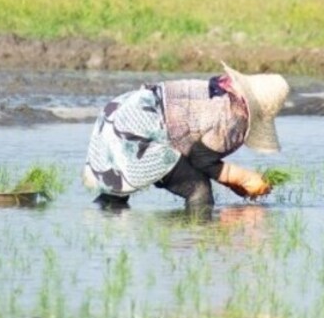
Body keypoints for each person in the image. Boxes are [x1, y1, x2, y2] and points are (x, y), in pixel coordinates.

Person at [82, 63, 290, 210]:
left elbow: (194, 157)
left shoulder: (222, 92)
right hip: (140, 130)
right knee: (198, 191)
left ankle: (98, 222)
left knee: (115, 195)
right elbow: (201, 160)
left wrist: (235, 184)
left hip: (123, 112)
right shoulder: (234, 116)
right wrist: (246, 178)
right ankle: (195, 239)